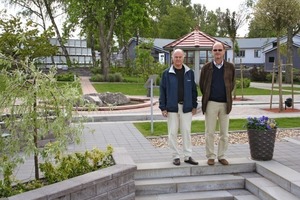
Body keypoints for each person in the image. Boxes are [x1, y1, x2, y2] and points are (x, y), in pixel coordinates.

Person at [159, 48, 198, 166]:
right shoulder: (166, 73)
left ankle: (187, 156)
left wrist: (194, 105)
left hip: (186, 107)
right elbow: (162, 91)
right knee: (172, 133)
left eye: (180, 57)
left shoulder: (189, 72)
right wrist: (163, 107)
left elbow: (193, 90)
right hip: (171, 108)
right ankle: (175, 156)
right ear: (172, 58)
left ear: (183, 58)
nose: (178, 59)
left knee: (186, 131)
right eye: (176, 57)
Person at [199, 42, 235, 166]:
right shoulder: (206, 67)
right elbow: (202, 85)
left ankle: (221, 156)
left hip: (225, 104)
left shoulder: (230, 67)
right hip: (211, 103)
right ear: (212, 52)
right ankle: (210, 156)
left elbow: (232, 84)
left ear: (224, 51)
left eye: (220, 50)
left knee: (224, 133)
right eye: (215, 50)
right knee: (210, 132)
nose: (218, 52)